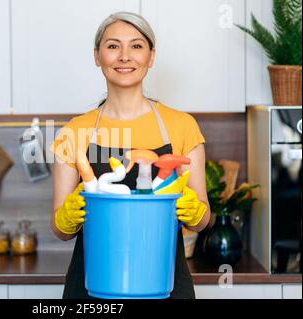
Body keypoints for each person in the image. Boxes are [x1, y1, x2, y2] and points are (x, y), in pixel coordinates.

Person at [49, 12, 210, 299]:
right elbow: (60, 231)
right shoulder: (74, 132)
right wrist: (67, 215)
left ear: (151, 57)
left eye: (136, 46)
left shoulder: (181, 126)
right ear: (98, 56)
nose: (125, 56)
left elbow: (202, 219)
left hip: (165, 282)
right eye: (113, 46)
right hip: (93, 286)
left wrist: (194, 211)